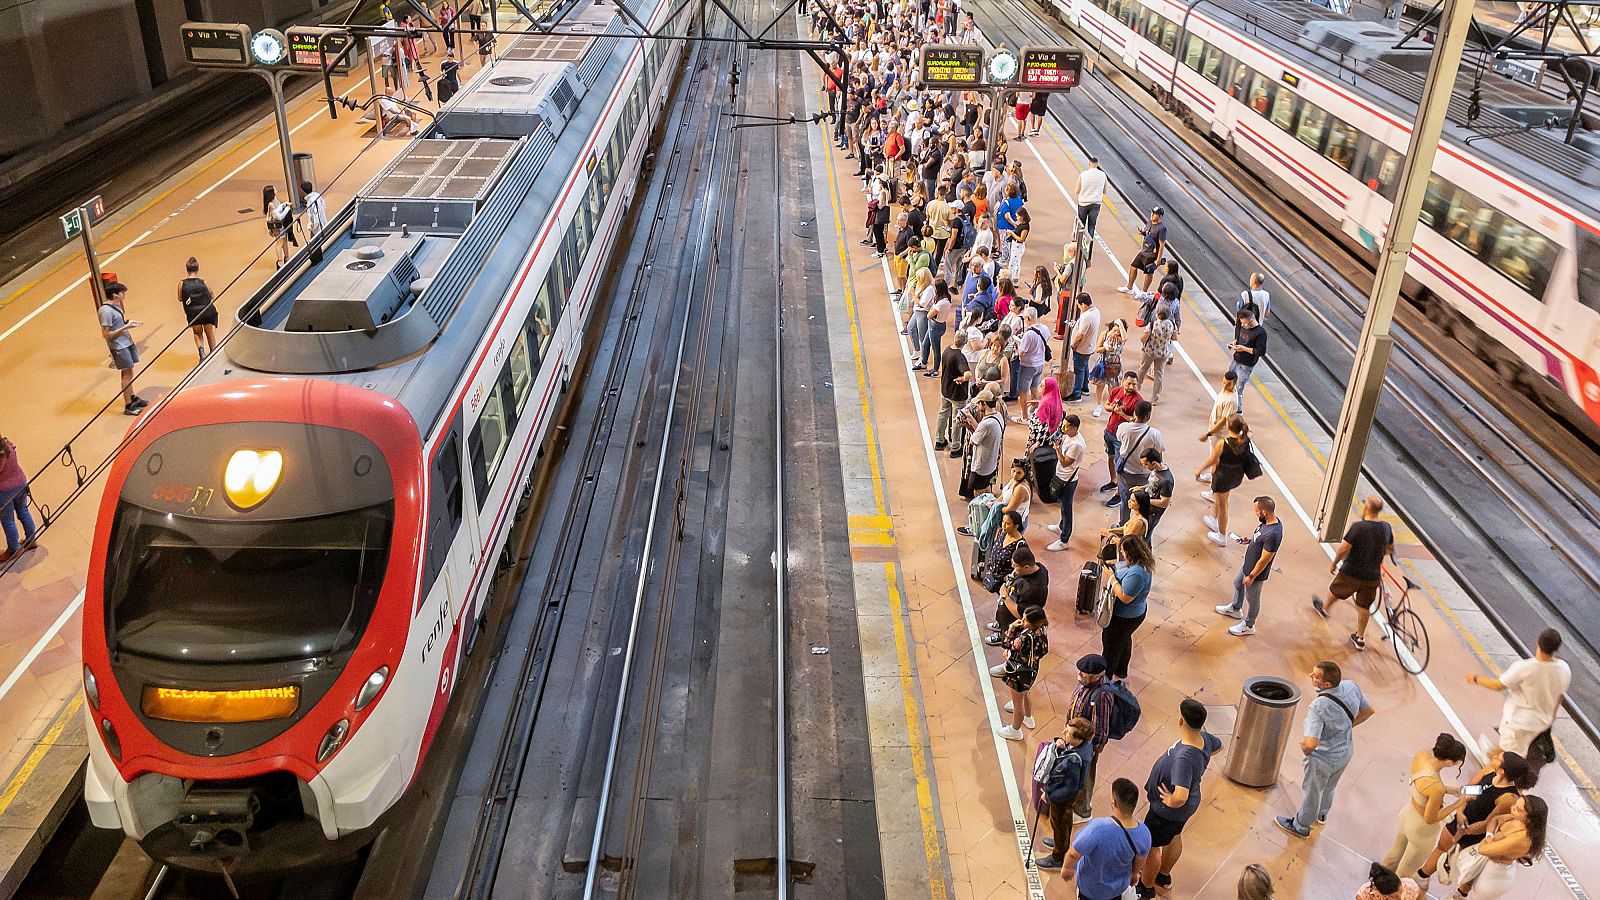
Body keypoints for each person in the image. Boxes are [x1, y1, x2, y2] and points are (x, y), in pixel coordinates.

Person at [1275, 660, 1374, 838]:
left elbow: (1311, 743)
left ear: (1326, 684)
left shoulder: (1318, 707)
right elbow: (1368, 711)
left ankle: (1301, 826)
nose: (1311, 677)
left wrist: (1305, 749)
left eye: (1315, 676)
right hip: (1345, 751)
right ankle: (1322, 814)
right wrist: (1345, 727)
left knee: (1311, 793)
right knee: (1330, 786)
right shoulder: (1351, 686)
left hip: (1323, 759)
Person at [1137, 698, 1223, 898]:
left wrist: (1170, 801)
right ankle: (1163, 876)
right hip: (1185, 808)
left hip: (1167, 811)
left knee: (1152, 846)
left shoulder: (1184, 758)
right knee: (1174, 835)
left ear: (1181, 720)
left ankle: (1147, 887)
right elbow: (1218, 746)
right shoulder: (1204, 739)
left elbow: (1181, 796)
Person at [1469, 628, 1570, 761]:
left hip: (1518, 720)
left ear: (1538, 642)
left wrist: (1476, 679)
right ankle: (1492, 755)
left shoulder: (1525, 667)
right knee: (1517, 749)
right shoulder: (1564, 668)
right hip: (1541, 721)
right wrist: (1551, 718)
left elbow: (1498, 686)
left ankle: (1492, 764)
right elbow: (1560, 696)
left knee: (1508, 754)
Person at [1312, 495, 1396, 650]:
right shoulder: (1386, 527)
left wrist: (1334, 563)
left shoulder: (1358, 527)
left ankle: (1324, 609)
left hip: (1352, 571)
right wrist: (1375, 556)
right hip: (1372, 576)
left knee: (1336, 590)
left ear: (1367, 508)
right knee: (1364, 606)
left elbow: (1344, 548)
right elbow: (1390, 549)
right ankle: (1360, 638)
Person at [1382, 732, 1469, 878]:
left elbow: (1423, 787)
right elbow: (1430, 818)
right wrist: (1458, 804)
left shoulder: (1421, 755)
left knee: (1394, 854)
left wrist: (1451, 790)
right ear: (1449, 762)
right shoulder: (1436, 788)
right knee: (1406, 870)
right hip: (1421, 831)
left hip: (1408, 814)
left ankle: (1380, 880)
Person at [1062, 778, 1150, 900]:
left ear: (1114, 802)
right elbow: (1141, 859)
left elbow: (1073, 853)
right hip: (1117, 889)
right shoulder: (1144, 832)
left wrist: (1067, 868)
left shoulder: (1097, 829)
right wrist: (1134, 875)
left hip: (1090, 889)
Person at [1449, 795, 1545, 899]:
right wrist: (1489, 836)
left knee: (1478, 894)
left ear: (1529, 819)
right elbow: (1495, 820)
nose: (1512, 808)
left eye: (1518, 809)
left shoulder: (1521, 838)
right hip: (1488, 865)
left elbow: (1483, 849)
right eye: (1515, 805)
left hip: (1495, 876)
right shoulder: (1516, 819)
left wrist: (1488, 840)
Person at [1214, 496, 1281, 636]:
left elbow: (1265, 559)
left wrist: (1251, 576)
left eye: (1257, 511)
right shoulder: (1267, 523)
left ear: (1264, 512)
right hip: (1248, 564)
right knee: (1237, 583)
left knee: (1253, 599)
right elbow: (1261, 541)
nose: (1255, 514)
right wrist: (1250, 541)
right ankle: (1235, 608)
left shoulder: (1273, 534)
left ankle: (1249, 625)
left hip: (1255, 572)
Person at [1034, 717, 1095, 870]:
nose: (1064, 733)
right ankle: (1061, 841)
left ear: (1079, 740)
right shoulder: (1085, 747)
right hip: (1062, 793)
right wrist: (1063, 747)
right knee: (1061, 824)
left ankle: (1058, 857)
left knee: (1060, 822)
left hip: (1062, 797)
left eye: (1068, 733)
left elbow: (1070, 789)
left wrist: (1049, 796)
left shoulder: (1075, 761)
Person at [1066, 654, 1118, 819]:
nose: (1079, 676)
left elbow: (1100, 729)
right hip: (1076, 740)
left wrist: (1092, 750)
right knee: (1074, 774)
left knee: (1085, 777)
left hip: (1087, 746)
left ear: (1096, 676)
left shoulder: (1102, 696)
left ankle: (1082, 811)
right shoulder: (1086, 685)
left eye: (1083, 674)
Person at [1102, 535, 1152, 680]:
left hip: (1125, 616)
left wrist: (1111, 577)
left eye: (1123, 551)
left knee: (1111, 646)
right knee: (1123, 640)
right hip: (1133, 614)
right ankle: (1121, 669)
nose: (1122, 553)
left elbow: (1125, 597)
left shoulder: (1137, 573)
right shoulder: (1140, 561)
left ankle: (1106, 677)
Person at [1198, 414, 1253, 546]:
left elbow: (1212, 460)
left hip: (1223, 476)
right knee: (1222, 499)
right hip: (1236, 476)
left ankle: (1222, 535)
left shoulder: (1224, 443)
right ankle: (1215, 520)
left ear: (1228, 426)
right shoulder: (1245, 439)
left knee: (1223, 505)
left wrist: (1199, 471)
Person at [996, 606, 1049, 741]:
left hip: (1018, 671)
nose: (1022, 621)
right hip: (1032, 669)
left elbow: (1007, 643)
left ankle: (1015, 730)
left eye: (1025, 620)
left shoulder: (1025, 638)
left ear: (1032, 623)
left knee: (1017, 703)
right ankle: (1028, 717)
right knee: (1026, 692)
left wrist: (1012, 627)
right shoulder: (1042, 631)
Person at [99, 282, 145, 415]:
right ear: (115, 295)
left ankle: (132, 397)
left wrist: (128, 324)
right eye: (122, 292)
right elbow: (106, 334)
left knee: (129, 372)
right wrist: (125, 327)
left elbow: (117, 323)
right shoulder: (106, 311)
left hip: (126, 342)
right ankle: (128, 404)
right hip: (119, 345)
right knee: (126, 374)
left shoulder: (116, 306)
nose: (124, 295)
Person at [1113, 401, 1163, 519]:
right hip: (1144, 474)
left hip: (1125, 471)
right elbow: (1159, 453)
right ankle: (1139, 525)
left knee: (1125, 501)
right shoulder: (1154, 434)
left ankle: (1123, 524)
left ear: (1134, 413)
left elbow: (1119, 439)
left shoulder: (1123, 427)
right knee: (1142, 501)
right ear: (1148, 416)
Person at [1098, 371, 1142, 497]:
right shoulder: (1116, 391)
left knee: (1120, 465)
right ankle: (1113, 481)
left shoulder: (1137, 400)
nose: (1131, 387)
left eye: (1134, 384)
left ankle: (1120, 493)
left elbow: (1135, 420)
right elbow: (1106, 405)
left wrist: (1122, 414)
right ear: (1123, 381)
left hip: (1122, 438)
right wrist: (1113, 409)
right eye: (1129, 384)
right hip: (1110, 431)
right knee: (1111, 457)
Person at [1047, 414, 1085, 552]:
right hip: (1062, 476)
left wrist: (1056, 448)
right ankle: (1061, 526)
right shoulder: (1069, 436)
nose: (1063, 428)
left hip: (1068, 480)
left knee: (1066, 507)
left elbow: (1064, 463)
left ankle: (1064, 539)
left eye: (1066, 426)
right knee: (1062, 505)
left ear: (1074, 428)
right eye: (1063, 424)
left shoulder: (1076, 444)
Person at [0, 436, 38, 563]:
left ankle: (13, 550)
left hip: (5, 490)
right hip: (21, 482)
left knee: (7, 520)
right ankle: (31, 539)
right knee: (23, 511)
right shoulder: (6, 443)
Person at [1196, 371, 1239, 483]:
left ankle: (1214, 488)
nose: (1224, 385)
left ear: (1234, 384)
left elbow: (1223, 420)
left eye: (1228, 384)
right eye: (1223, 382)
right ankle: (1212, 476)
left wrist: (1209, 433)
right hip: (1214, 430)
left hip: (1220, 434)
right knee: (1214, 458)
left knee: (1215, 460)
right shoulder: (1224, 390)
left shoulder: (1231, 400)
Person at [935, 330, 973, 453]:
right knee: (957, 419)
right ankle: (956, 446)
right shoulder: (959, 357)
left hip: (945, 389)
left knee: (943, 414)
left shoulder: (947, 350)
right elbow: (968, 373)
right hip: (957, 393)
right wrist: (963, 378)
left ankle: (939, 440)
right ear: (965, 342)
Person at [962, 391, 1005, 497]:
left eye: (978, 403)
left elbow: (974, 440)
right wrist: (972, 420)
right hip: (991, 464)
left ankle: (981, 512)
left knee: (979, 493)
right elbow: (983, 433)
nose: (977, 406)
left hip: (981, 466)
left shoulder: (986, 424)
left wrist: (969, 427)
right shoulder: (998, 416)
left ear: (984, 404)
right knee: (986, 488)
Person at [1011, 308, 1049, 422]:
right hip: (1040, 363)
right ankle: (1035, 412)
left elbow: (1021, 352)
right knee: (1034, 388)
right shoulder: (1045, 329)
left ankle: (1024, 417)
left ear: (1028, 318)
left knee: (1023, 391)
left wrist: (1018, 344)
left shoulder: (1029, 334)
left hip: (1028, 365)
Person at [1118, 207, 1168, 294]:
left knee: (1148, 273)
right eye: (1152, 213)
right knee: (1133, 267)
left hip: (1151, 254)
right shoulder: (1149, 222)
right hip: (1144, 251)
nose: (1152, 215)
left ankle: (1143, 292)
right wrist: (1142, 232)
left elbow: (1161, 245)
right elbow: (1147, 232)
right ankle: (1129, 287)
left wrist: (1158, 259)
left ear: (1160, 216)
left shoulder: (1161, 228)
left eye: (1155, 214)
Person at [1227, 306, 1267, 413]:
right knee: (1229, 380)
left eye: (1245, 323)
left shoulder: (1260, 333)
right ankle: (1227, 401)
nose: (1243, 325)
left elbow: (1260, 351)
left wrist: (1243, 349)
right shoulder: (1242, 326)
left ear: (1252, 320)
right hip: (1236, 359)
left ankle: (1238, 409)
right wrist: (1235, 342)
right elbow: (1239, 338)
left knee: (1239, 386)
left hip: (1247, 364)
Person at [177, 257, 218, 361]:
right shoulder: (204, 282)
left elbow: (180, 298)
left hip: (193, 313)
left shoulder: (181, 283)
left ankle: (201, 351)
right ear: (197, 269)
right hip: (206, 311)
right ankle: (213, 352)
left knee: (197, 333)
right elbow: (213, 296)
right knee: (210, 333)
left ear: (187, 269)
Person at [1137, 304, 1175, 403]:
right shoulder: (1171, 324)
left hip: (1150, 351)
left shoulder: (1153, 324)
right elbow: (1174, 337)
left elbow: (1143, 339)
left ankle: (1136, 391)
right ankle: (1155, 399)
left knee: (1142, 370)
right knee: (1159, 375)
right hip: (1163, 353)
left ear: (1157, 314)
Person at [1089, 319, 1127, 419]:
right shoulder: (1104, 334)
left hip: (1115, 366)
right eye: (1115, 330)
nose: (1116, 333)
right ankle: (1098, 405)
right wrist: (1104, 348)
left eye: (1119, 331)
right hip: (1103, 364)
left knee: (1113, 389)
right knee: (1100, 385)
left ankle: (1112, 406)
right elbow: (1097, 349)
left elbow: (1125, 339)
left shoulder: (1121, 338)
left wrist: (1120, 325)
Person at [1133, 449, 1174, 541]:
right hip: (1146, 508)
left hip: (1153, 513)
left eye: (1146, 464)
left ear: (1154, 463)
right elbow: (1154, 484)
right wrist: (1141, 488)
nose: (1144, 466)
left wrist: (1144, 500)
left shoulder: (1166, 481)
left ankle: (1145, 554)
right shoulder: (1156, 470)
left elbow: (1164, 502)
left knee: (1144, 538)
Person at [1067, 293, 1101, 401]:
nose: (1078, 307)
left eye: (1079, 305)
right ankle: (1085, 388)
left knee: (1079, 370)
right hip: (1089, 346)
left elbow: (1080, 335)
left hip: (1082, 348)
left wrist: (1073, 345)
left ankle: (1077, 394)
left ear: (1083, 305)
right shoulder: (1095, 311)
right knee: (1085, 366)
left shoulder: (1086, 317)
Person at [921, 277, 954, 375]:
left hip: (935, 326)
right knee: (925, 344)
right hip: (938, 324)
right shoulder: (946, 299)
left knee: (936, 349)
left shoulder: (942, 303)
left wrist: (932, 309)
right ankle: (923, 363)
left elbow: (929, 315)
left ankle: (935, 370)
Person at [264, 184, 297, 267]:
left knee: (284, 241)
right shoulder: (271, 204)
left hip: (282, 225)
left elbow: (279, 207)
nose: (277, 191)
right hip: (278, 226)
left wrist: (285, 204)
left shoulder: (275, 200)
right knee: (280, 243)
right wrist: (287, 209)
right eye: (275, 190)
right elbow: (279, 217)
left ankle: (287, 257)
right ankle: (279, 261)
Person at [1075, 155, 1107, 236]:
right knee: (1092, 225)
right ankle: (1089, 246)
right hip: (1096, 203)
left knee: (1081, 225)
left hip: (1083, 203)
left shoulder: (1083, 174)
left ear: (1089, 164)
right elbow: (1105, 191)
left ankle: (1079, 244)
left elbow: (1077, 191)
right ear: (1097, 164)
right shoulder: (1103, 175)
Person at [1356, 863, 1424, 900]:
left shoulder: (1409, 885)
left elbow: (1421, 898)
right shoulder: (1364, 896)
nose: (1400, 897)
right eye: (1395, 896)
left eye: (1401, 890)